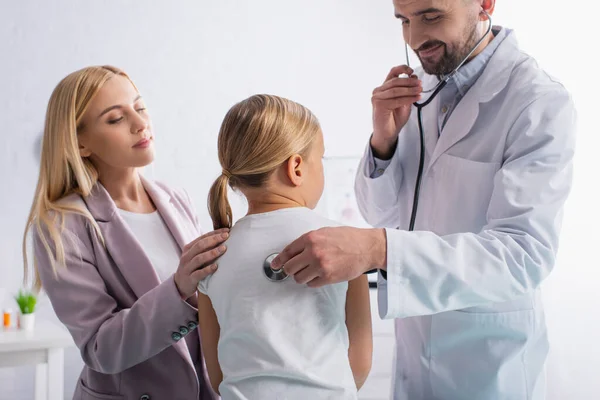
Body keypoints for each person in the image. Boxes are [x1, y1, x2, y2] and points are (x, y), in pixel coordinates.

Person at [270, 0, 577, 399]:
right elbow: (380, 211)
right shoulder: (419, 91)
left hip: (489, 364)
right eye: (404, 20)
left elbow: (524, 254)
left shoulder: (537, 102)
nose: (415, 39)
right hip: (414, 352)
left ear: (484, 4)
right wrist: (383, 141)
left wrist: (379, 249)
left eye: (431, 16)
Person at [23, 65, 226, 399]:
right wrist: (178, 288)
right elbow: (101, 348)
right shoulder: (60, 227)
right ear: (81, 143)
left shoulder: (177, 199)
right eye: (116, 119)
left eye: (140, 107)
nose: (140, 123)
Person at [196, 94, 373, 399]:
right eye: (321, 159)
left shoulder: (211, 257)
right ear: (297, 168)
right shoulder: (345, 244)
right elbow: (359, 363)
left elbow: (216, 374)